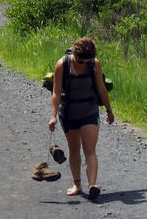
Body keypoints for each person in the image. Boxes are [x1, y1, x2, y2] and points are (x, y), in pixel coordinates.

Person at [47, 36, 114, 200]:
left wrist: (109, 110)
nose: (83, 63)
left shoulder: (94, 64)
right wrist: (53, 116)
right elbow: (56, 93)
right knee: (74, 149)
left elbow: (101, 88)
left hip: (89, 110)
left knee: (90, 149)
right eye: (80, 60)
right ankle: (77, 184)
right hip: (69, 112)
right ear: (74, 54)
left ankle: (92, 185)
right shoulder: (62, 64)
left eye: (86, 61)